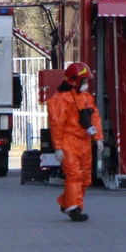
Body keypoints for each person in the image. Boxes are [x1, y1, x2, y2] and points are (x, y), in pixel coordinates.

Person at [47, 62, 102, 222]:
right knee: (75, 176)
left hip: (84, 142)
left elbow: (95, 118)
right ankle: (74, 209)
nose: (86, 85)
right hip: (69, 143)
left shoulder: (85, 98)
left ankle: (68, 203)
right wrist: (58, 147)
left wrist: (98, 138)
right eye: (84, 81)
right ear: (74, 81)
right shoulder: (60, 100)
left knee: (85, 178)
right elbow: (56, 124)